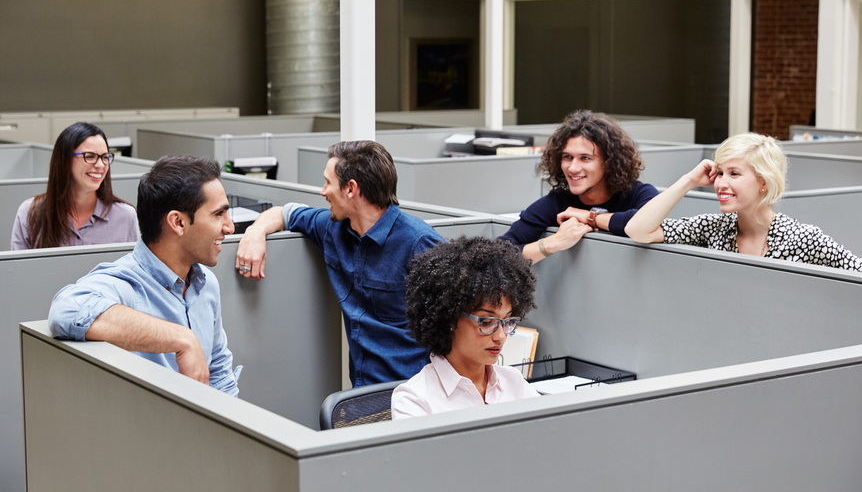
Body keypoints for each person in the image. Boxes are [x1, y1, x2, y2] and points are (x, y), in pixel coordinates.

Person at [235, 140, 444, 386]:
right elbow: (284, 212)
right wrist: (255, 233)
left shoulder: (419, 242)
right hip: (362, 392)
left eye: (327, 182)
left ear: (350, 189)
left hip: (415, 394)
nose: (322, 191)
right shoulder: (332, 228)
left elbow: (458, 327)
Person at [49, 155, 242, 396]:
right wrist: (181, 338)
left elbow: (220, 376)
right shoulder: (129, 284)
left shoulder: (205, 284)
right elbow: (66, 309)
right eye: (218, 214)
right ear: (178, 222)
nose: (230, 227)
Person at [625, 132, 862, 271]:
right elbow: (638, 230)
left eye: (734, 173)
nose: (721, 183)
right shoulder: (712, 229)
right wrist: (688, 180)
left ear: (763, 182)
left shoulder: (803, 238)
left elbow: (859, 273)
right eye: (719, 173)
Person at [391, 236, 540, 419]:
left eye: (507, 321)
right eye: (486, 322)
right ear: (450, 319)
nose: (500, 336)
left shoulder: (514, 381)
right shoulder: (414, 400)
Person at [500, 110, 658, 264]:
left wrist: (591, 217)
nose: (573, 168)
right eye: (567, 157)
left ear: (609, 163)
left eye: (585, 158)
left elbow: (645, 223)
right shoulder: (557, 203)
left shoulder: (639, 194)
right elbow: (498, 256)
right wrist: (553, 242)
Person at [11, 122, 138, 250]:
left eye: (105, 157)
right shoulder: (30, 213)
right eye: (89, 156)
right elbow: (18, 269)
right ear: (64, 160)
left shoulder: (126, 217)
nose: (100, 165)